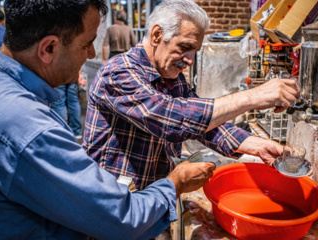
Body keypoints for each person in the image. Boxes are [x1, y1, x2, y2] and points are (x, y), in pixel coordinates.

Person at [0, 0, 216, 239]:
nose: (93, 53)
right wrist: (175, 183)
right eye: (87, 44)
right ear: (49, 48)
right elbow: (123, 218)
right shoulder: (29, 128)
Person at [83, 0, 301, 190]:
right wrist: (252, 97)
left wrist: (253, 144)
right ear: (157, 35)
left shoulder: (171, 77)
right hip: (113, 204)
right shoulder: (118, 72)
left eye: (194, 51)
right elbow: (171, 118)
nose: (190, 60)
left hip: (151, 200)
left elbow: (201, 123)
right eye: (185, 47)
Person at [51, 68, 86, 140]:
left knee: (58, 103)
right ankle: (76, 132)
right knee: (73, 101)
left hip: (57, 70)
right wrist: (79, 74)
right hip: (72, 71)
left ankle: (62, 132)